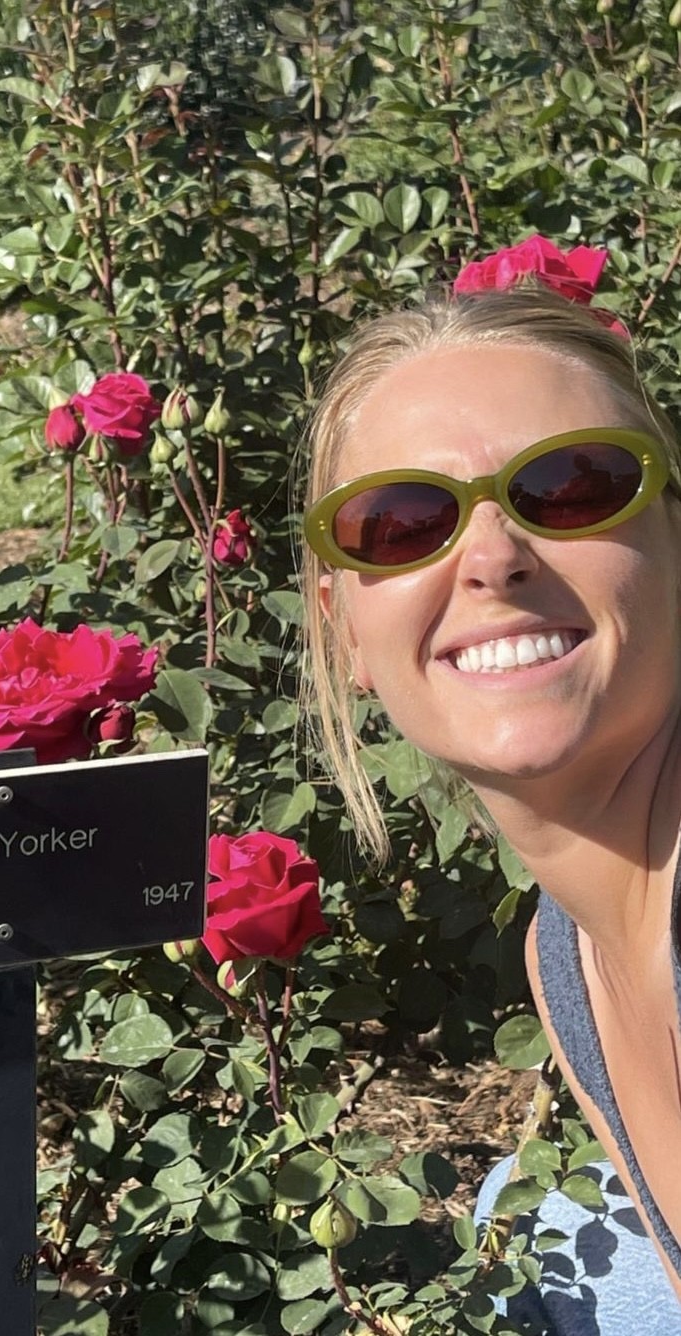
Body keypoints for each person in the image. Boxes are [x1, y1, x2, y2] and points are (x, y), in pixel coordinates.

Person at [301, 242, 681, 1331]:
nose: (491, 556)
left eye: (573, 485)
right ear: (344, 628)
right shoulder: (566, 958)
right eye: (399, 522)